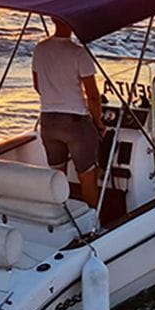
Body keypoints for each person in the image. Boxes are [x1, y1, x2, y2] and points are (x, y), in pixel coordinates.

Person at [32, 17, 105, 207]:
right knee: (87, 176)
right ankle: (91, 226)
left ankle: (61, 218)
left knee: (57, 178)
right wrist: (98, 123)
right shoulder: (79, 53)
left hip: (48, 121)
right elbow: (93, 97)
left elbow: (37, 85)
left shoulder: (40, 49)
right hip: (75, 123)